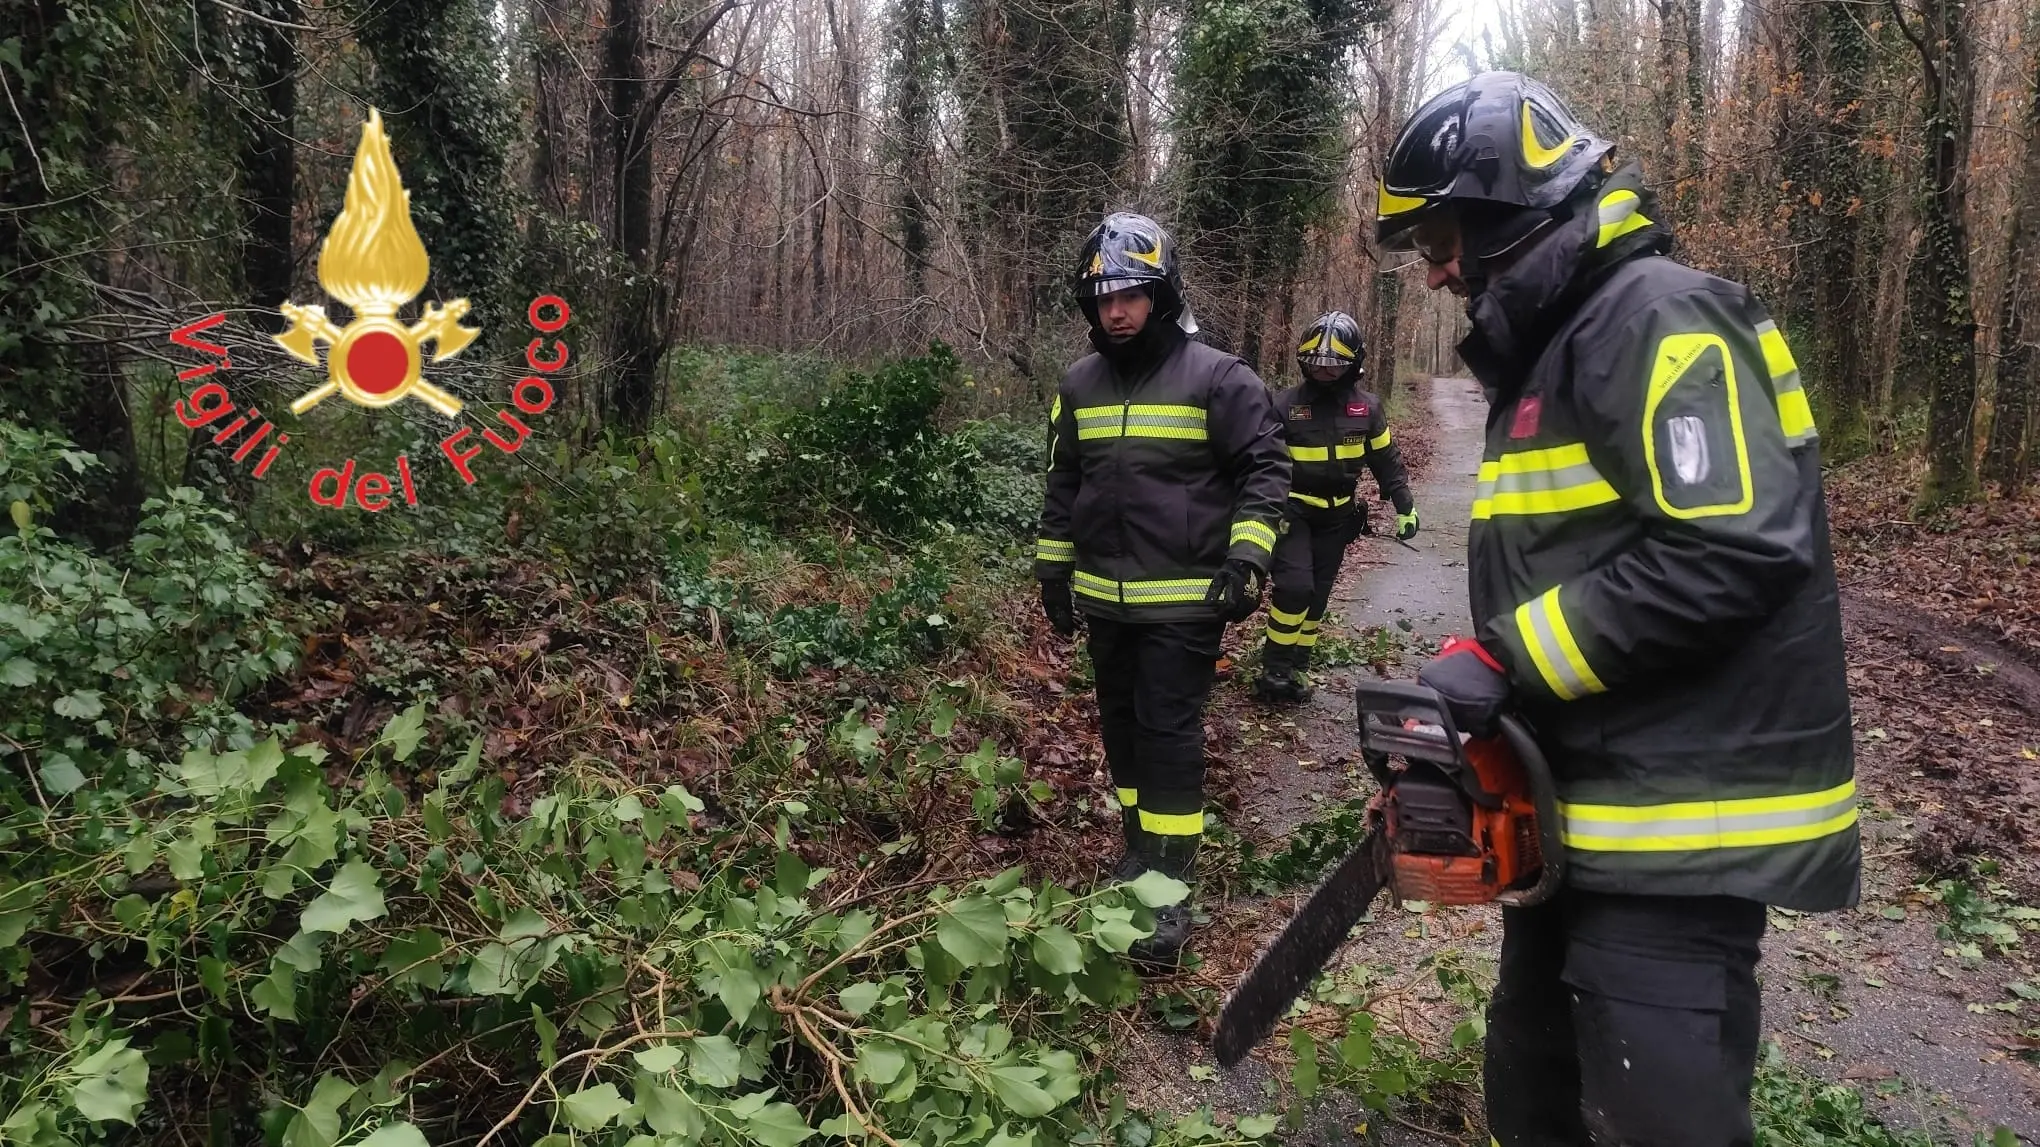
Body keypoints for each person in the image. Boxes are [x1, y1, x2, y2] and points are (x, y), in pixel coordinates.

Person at [1380, 72, 1858, 1144]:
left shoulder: (1661, 318)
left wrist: (1507, 659)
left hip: (1679, 838)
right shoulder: (1556, 349)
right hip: (1585, 823)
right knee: (1533, 1095)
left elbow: (1730, 548)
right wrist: (1488, 694)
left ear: (1508, 209)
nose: (1437, 271)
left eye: (1442, 240)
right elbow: (1583, 564)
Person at [1034, 211, 1290, 966]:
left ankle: (1171, 885)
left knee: (1167, 733)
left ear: (1161, 294)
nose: (1116, 311)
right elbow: (1064, 481)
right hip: (1104, 598)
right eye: (1103, 298)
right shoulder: (1078, 383)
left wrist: (1247, 559)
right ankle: (1140, 849)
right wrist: (1053, 569)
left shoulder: (1218, 377)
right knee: (1121, 728)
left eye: (1130, 295)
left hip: (1184, 600)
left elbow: (1266, 471)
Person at [1252, 311, 1417, 703]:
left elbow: (1386, 460)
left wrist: (1404, 505)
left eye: (1334, 364)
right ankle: (1275, 669)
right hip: (1291, 512)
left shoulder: (1367, 409)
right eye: (1316, 363)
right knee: (1295, 588)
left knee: (1317, 597)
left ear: (1354, 364)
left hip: (1338, 517)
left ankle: (1298, 665)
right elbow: (1260, 462)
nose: (1324, 370)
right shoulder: (1284, 405)